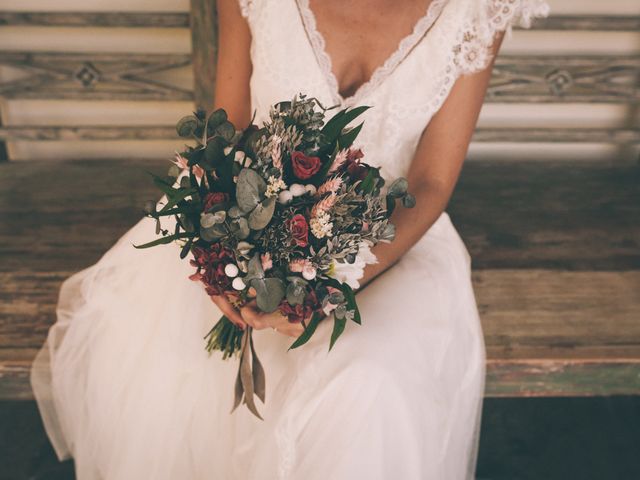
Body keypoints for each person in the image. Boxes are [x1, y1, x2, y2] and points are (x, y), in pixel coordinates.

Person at [30, 0, 550, 478]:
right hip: (247, 219)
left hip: (395, 239)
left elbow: (430, 182)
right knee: (175, 372)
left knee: (369, 382)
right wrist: (219, 262)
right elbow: (226, 131)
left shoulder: (477, 10)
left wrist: (331, 282)